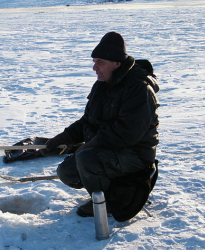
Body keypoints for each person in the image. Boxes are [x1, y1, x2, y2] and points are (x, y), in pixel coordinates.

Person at [41, 32, 159, 220]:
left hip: (135, 154)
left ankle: (110, 202)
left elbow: (127, 134)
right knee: (67, 172)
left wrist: (89, 146)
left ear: (117, 63)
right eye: (94, 61)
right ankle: (110, 188)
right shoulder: (102, 84)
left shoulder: (139, 89)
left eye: (100, 62)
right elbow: (88, 120)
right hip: (107, 151)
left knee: (87, 160)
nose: (94, 67)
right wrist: (60, 140)